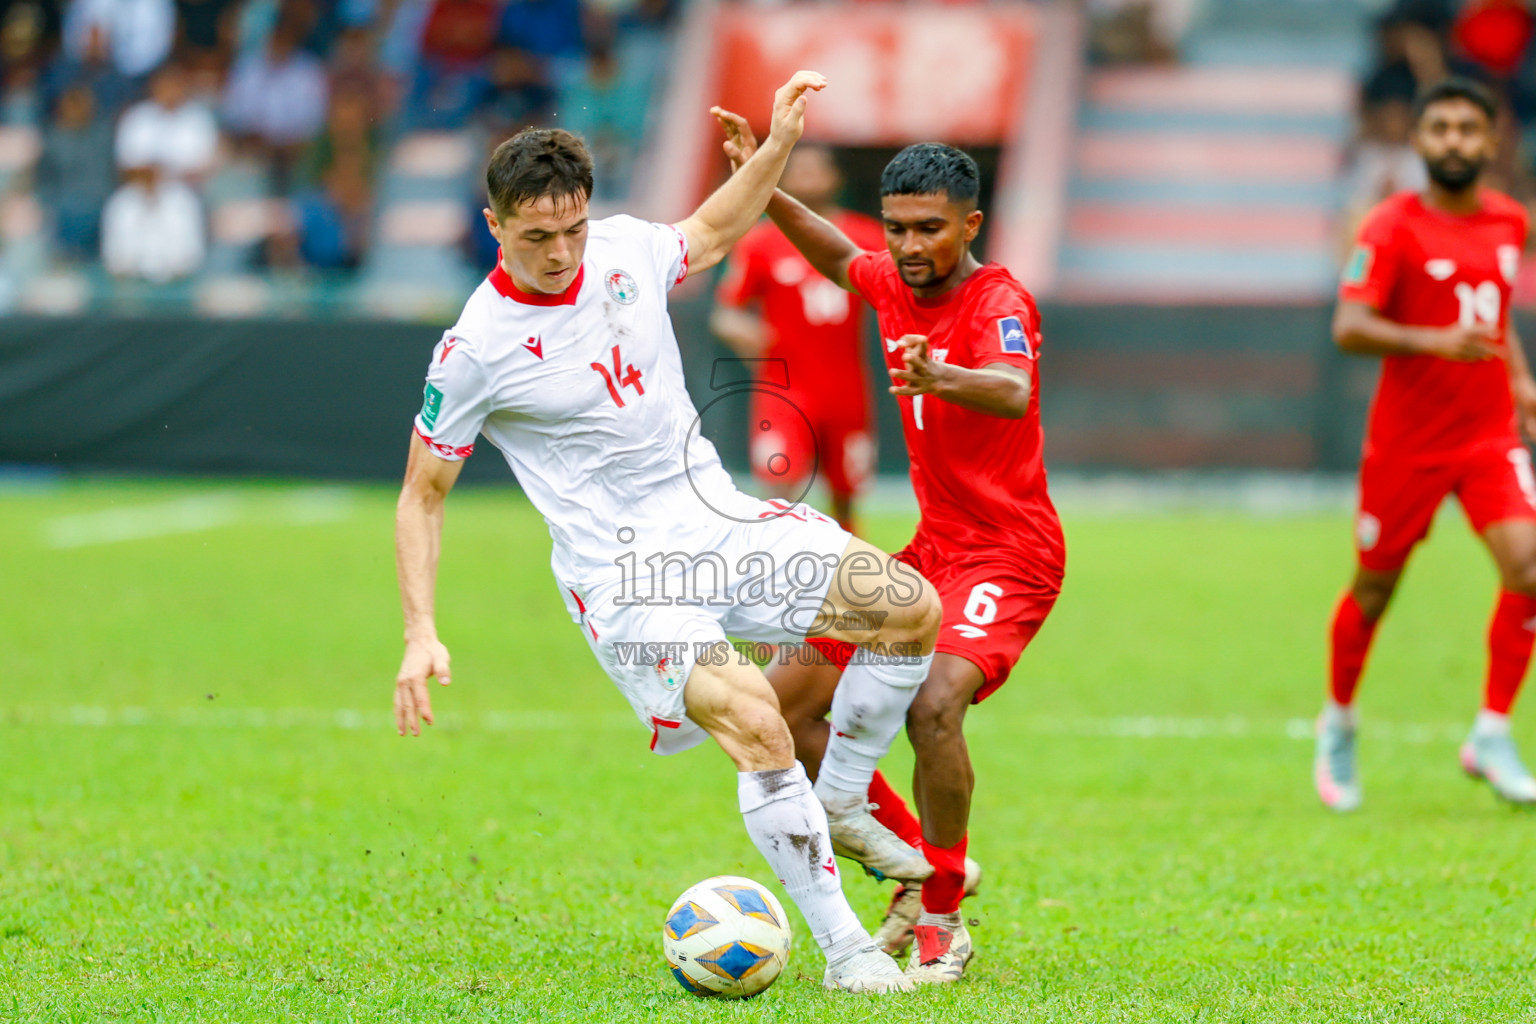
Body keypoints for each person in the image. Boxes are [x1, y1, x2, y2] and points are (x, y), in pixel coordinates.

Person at [393, 72, 943, 995]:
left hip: (712, 516)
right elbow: (422, 494)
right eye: (537, 236)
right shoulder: (474, 348)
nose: (562, 251)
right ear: (495, 226)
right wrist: (420, 631)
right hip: (623, 574)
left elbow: (715, 229)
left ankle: (842, 791)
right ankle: (848, 952)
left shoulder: (621, 250)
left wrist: (772, 149)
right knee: (758, 723)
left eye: (572, 227)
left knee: (908, 611)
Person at [712, 112, 1065, 984]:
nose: (909, 246)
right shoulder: (893, 278)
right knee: (780, 706)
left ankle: (944, 917)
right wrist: (765, 180)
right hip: (931, 548)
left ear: (970, 226)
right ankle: (904, 856)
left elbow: (1014, 389)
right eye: (899, 227)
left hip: (1009, 552)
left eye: (929, 229)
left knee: (932, 704)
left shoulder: (998, 301)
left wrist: (943, 375)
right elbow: (836, 251)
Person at [1317, 77, 1536, 811]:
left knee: (1529, 564)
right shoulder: (1390, 226)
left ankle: (1493, 731)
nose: (1453, 141)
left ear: (1491, 141)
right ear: (1417, 140)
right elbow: (1349, 327)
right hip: (1407, 447)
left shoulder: (1508, 221)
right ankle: (1340, 720)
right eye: (1439, 127)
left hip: (1487, 435)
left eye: (1467, 129)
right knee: (1375, 590)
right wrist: (1432, 340)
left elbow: (1494, 320)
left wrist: (1523, 380)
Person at [710, 145, 885, 533]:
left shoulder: (865, 236)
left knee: (846, 496)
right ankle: (772, 581)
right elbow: (726, 312)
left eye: (815, 169)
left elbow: (897, 298)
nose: (807, 177)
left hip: (847, 388)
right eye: (798, 170)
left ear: (835, 178)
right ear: (784, 179)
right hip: (785, 389)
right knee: (778, 490)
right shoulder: (760, 242)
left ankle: (847, 582)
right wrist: (742, 332)